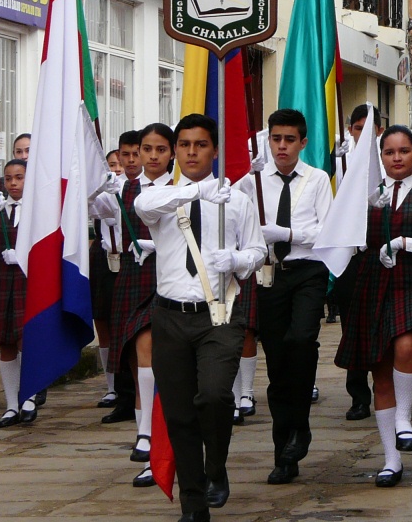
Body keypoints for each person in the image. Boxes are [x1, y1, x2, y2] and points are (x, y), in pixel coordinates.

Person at [135, 114, 265, 522]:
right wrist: (194, 194)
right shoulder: (160, 199)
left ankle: (216, 468)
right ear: (175, 151)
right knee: (178, 413)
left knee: (213, 395)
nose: (192, 152)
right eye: (185, 145)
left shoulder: (237, 201)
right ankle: (193, 504)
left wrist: (237, 258)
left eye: (201, 144)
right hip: (170, 316)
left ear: (215, 150)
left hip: (219, 313)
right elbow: (144, 204)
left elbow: (258, 251)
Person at [334, 124, 412, 488]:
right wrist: (359, 210)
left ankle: (404, 417)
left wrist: (403, 243)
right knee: (379, 373)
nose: (397, 158)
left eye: (404, 151)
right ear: (380, 157)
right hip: (372, 283)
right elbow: (340, 236)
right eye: (389, 152)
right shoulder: (368, 195)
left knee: (405, 344)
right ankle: (391, 459)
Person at [249, 109, 332, 485]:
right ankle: (285, 450)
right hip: (269, 276)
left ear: (303, 142)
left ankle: (301, 425)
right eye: (276, 139)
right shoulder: (251, 180)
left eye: (289, 140)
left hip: (307, 273)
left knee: (301, 339)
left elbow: (323, 232)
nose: (282, 146)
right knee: (278, 364)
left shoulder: (316, 180)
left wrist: (283, 233)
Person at [91, 125, 175, 488]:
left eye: (159, 149)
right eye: (145, 150)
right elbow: (85, 201)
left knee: (149, 350)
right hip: (131, 273)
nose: (150, 157)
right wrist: (97, 181)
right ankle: (146, 438)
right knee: (134, 356)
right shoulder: (123, 189)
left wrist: (159, 244)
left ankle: (147, 436)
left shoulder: (180, 186)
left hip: (168, 274)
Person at [332, 104, 382, 422]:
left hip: (381, 254)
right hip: (349, 254)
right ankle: (358, 395)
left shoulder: (387, 159)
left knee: (386, 324)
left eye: (369, 127)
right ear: (350, 129)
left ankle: (398, 381)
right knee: (352, 326)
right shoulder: (339, 161)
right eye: (357, 127)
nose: (363, 132)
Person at [0, 160, 33, 427]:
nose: (13, 183)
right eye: (8, 178)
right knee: (4, 340)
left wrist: (24, 256)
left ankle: (28, 397)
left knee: (24, 338)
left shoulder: (37, 210)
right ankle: (12, 405)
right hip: (0, 275)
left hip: (26, 276)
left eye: (19, 178)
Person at [91, 149, 124, 407]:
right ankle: (112, 385)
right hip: (105, 259)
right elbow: (89, 204)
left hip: (131, 259)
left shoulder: (138, 190)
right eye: (111, 164)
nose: (117, 168)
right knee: (103, 320)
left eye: (120, 163)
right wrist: (98, 187)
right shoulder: (106, 191)